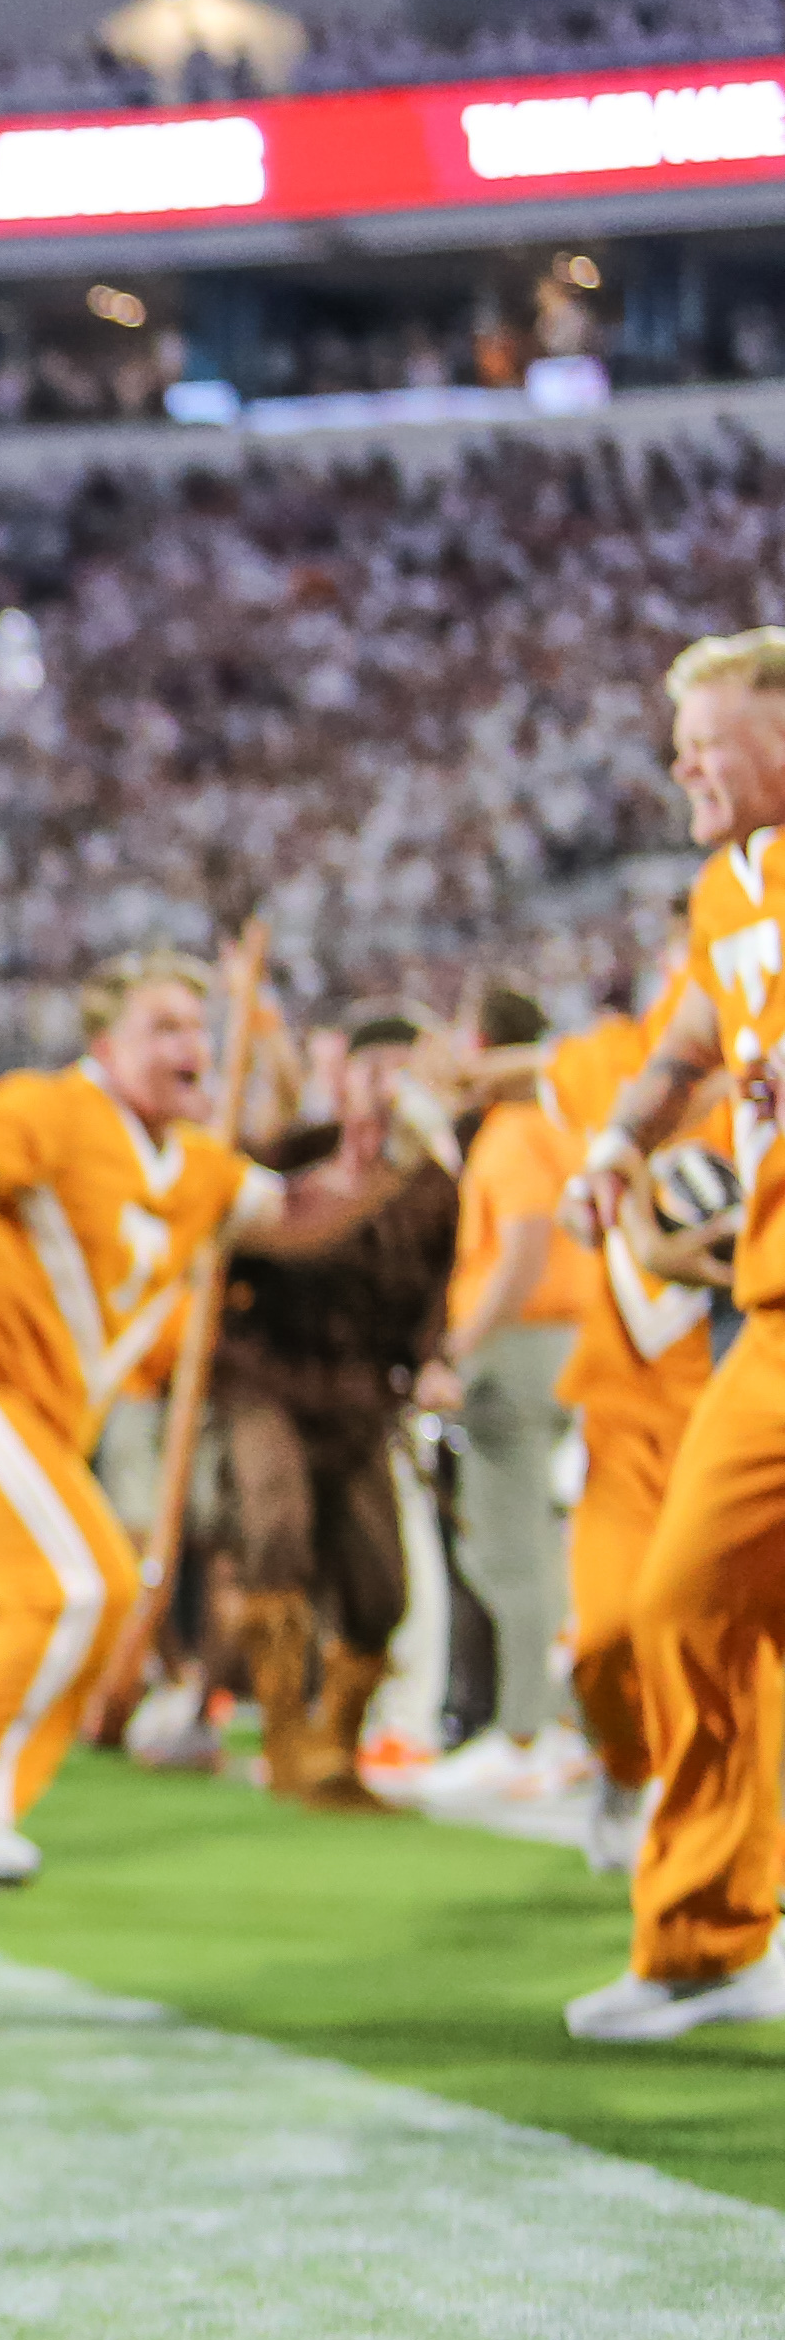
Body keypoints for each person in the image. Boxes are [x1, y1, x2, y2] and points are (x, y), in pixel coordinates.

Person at [0, 950, 390, 1887]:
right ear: (107, 1042)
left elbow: (301, 1215)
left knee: (98, 1585)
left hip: (29, 1421)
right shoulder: (56, 1109)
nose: (193, 1044)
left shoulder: (196, 1165)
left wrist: (393, 1162)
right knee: (74, 1586)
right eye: (165, 1026)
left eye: (197, 1025)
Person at [557, 628, 785, 2039]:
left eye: (709, 737)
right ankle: (707, 1944)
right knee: (682, 1603)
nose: (681, 763)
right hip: (767, 1318)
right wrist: (614, 1140)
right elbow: (698, 1028)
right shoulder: (730, 886)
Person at [210, 1015, 459, 1810]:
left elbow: (435, 1296)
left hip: (359, 1396)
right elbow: (236, 1236)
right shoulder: (293, 1154)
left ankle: (336, 1749)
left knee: (382, 1585)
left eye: (405, 1070)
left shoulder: (435, 1189)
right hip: (267, 1378)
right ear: (344, 1079)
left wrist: (430, 1362)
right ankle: (284, 1737)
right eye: (374, 1068)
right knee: (276, 1529)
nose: (389, 1087)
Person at [523, 976, 726, 1880]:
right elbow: (545, 1068)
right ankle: (623, 1764)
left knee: (730, 1645)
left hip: (737, 1415)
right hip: (626, 1424)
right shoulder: (616, 1062)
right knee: (606, 1634)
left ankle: (729, 1839)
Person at [419, 981, 588, 1791]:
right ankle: (559, 1724)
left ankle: (528, 1730)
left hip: (519, 1350)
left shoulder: (514, 1135)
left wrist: (456, 1345)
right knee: (548, 1551)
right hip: (568, 1343)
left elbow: (523, 1248)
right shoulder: (557, 1125)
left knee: (509, 1548)